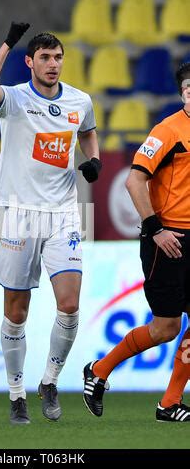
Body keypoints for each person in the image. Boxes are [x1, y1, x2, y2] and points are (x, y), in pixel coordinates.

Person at [0, 22, 101, 424]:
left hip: (64, 213)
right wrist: (7, 41)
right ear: (29, 62)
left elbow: (88, 131)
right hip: (18, 214)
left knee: (69, 304)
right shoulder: (13, 99)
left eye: (58, 57)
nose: (53, 64)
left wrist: (93, 157)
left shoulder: (80, 101)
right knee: (17, 310)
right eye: (45, 57)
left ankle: (49, 381)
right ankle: (17, 394)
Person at [82, 62, 190, 422]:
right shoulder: (168, 131)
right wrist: (156, 229)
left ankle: (170, 403)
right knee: (166, 328)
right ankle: (99, 370)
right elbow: (133, 180)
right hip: (167, 239)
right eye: (187, 86)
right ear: (181, 92)